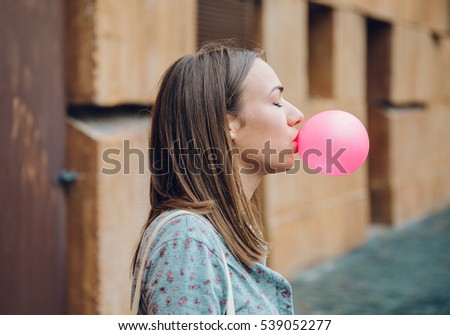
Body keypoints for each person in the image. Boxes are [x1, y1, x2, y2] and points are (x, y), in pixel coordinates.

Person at [131, 41, 304, 315]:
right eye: (277, 101)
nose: (297, 116)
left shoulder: (224, 231)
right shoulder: (188, 242)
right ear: (227, 123)